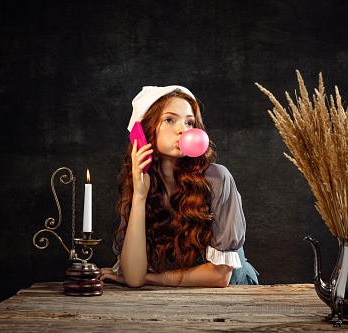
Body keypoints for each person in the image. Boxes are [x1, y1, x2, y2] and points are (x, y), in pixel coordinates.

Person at [98, 85, 258, 287]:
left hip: (232, 300)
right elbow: (133, 278)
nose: (183, 129)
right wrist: (140, 195)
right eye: (169, 120)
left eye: (189, 122)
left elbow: (220, 277)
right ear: (144, 132)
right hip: (178, 303)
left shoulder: (218, 178)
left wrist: (150, 278)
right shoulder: (139, 186)